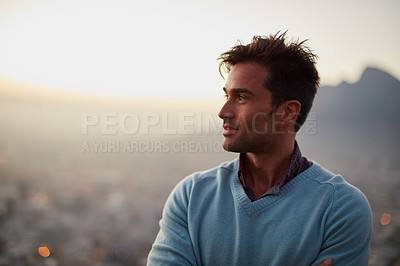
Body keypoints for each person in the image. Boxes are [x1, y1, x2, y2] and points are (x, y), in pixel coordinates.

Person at [147, 32, 372, 265]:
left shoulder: (340, 208)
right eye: (227, 95)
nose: (223, 112)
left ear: (288, 112)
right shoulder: (192, 195)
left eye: (242, 97)